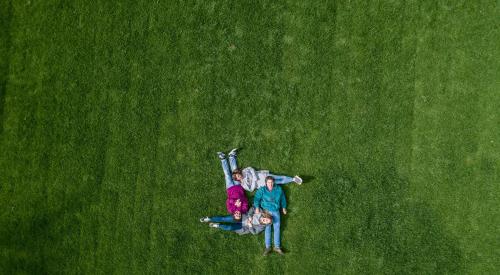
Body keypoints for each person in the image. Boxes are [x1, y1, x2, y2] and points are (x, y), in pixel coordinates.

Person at [225, 148, 303, 192]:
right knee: (279, 182)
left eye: (238, 175)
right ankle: (292, 180)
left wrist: (254, 177)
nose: (239, 176)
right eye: (237, 177)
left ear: (239, 173)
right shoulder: (243, 184)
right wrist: (254, 181)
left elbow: (251, 169)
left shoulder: (244, 171)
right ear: (237, 179)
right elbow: (251, 189)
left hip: (264, 175)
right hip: (263, 184)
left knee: (278, 177)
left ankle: (293, 179)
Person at [254, 176, 287, 256]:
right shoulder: (262, 190)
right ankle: (268, 247)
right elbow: (256, 198)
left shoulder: (278, 189)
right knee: (267, 228)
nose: (270, 184)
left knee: (277, 227)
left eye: (272, 182)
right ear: (266, 183)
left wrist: (284, 207)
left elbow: (283, 198)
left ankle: (277, 246)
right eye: (269, 182)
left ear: (274, 182)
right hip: (266, 211)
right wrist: (257, 207)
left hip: (275, 211)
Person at [217, 151, 248, 220]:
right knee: (235, 172)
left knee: (227, 174)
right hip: (238, 187)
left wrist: (235, 202)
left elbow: (228, 201)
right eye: (239, 215)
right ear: (241, 215)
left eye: (236, 215)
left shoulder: (231, 210)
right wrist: (240, 201)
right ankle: (232, 157)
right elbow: (245, 199)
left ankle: (223, 159)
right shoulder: (244, 209)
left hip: (230, 188)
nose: (238, 214)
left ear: (233, 215)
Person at [199, 207, 272, 235]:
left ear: (265, 224)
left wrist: (250, 226)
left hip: (243, 227)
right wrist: (250, 216)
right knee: (225, 219)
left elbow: (254, 232)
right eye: (266, 219)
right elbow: (252, 208)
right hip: (241, 218)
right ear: (266, 216)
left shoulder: (262, 227)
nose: (264, 220)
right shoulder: (260, 212)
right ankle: (209, 218)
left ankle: (218, 225)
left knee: (230, 228)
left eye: (266, 221)